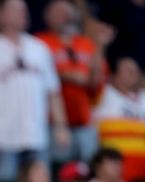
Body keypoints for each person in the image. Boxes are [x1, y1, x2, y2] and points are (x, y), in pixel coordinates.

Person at [0, 0, 70, 182]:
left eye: (23, 9)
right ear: (1, 15)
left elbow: (53, 92)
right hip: (4, 136)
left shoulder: (39, 48)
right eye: (15, 9)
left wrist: (61, 126)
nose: (22, 13)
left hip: (37, 134)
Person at [36, 0, 106, 163]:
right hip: (51, 121)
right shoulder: (39, 42)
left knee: (89, 167)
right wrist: (70, 75)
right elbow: (39, 76)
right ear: (47, 17)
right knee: (58, 170)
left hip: (84, 119)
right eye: (58, 13)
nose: (64, 17)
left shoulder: (86, 43)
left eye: (67, 13)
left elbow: (95, 81)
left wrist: (100, 46)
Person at [94, 57, 145, 182]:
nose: (134, 73)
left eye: (136, 70)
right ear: (113, 76)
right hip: (114, 179)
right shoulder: (103, 96)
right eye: (127, 70)